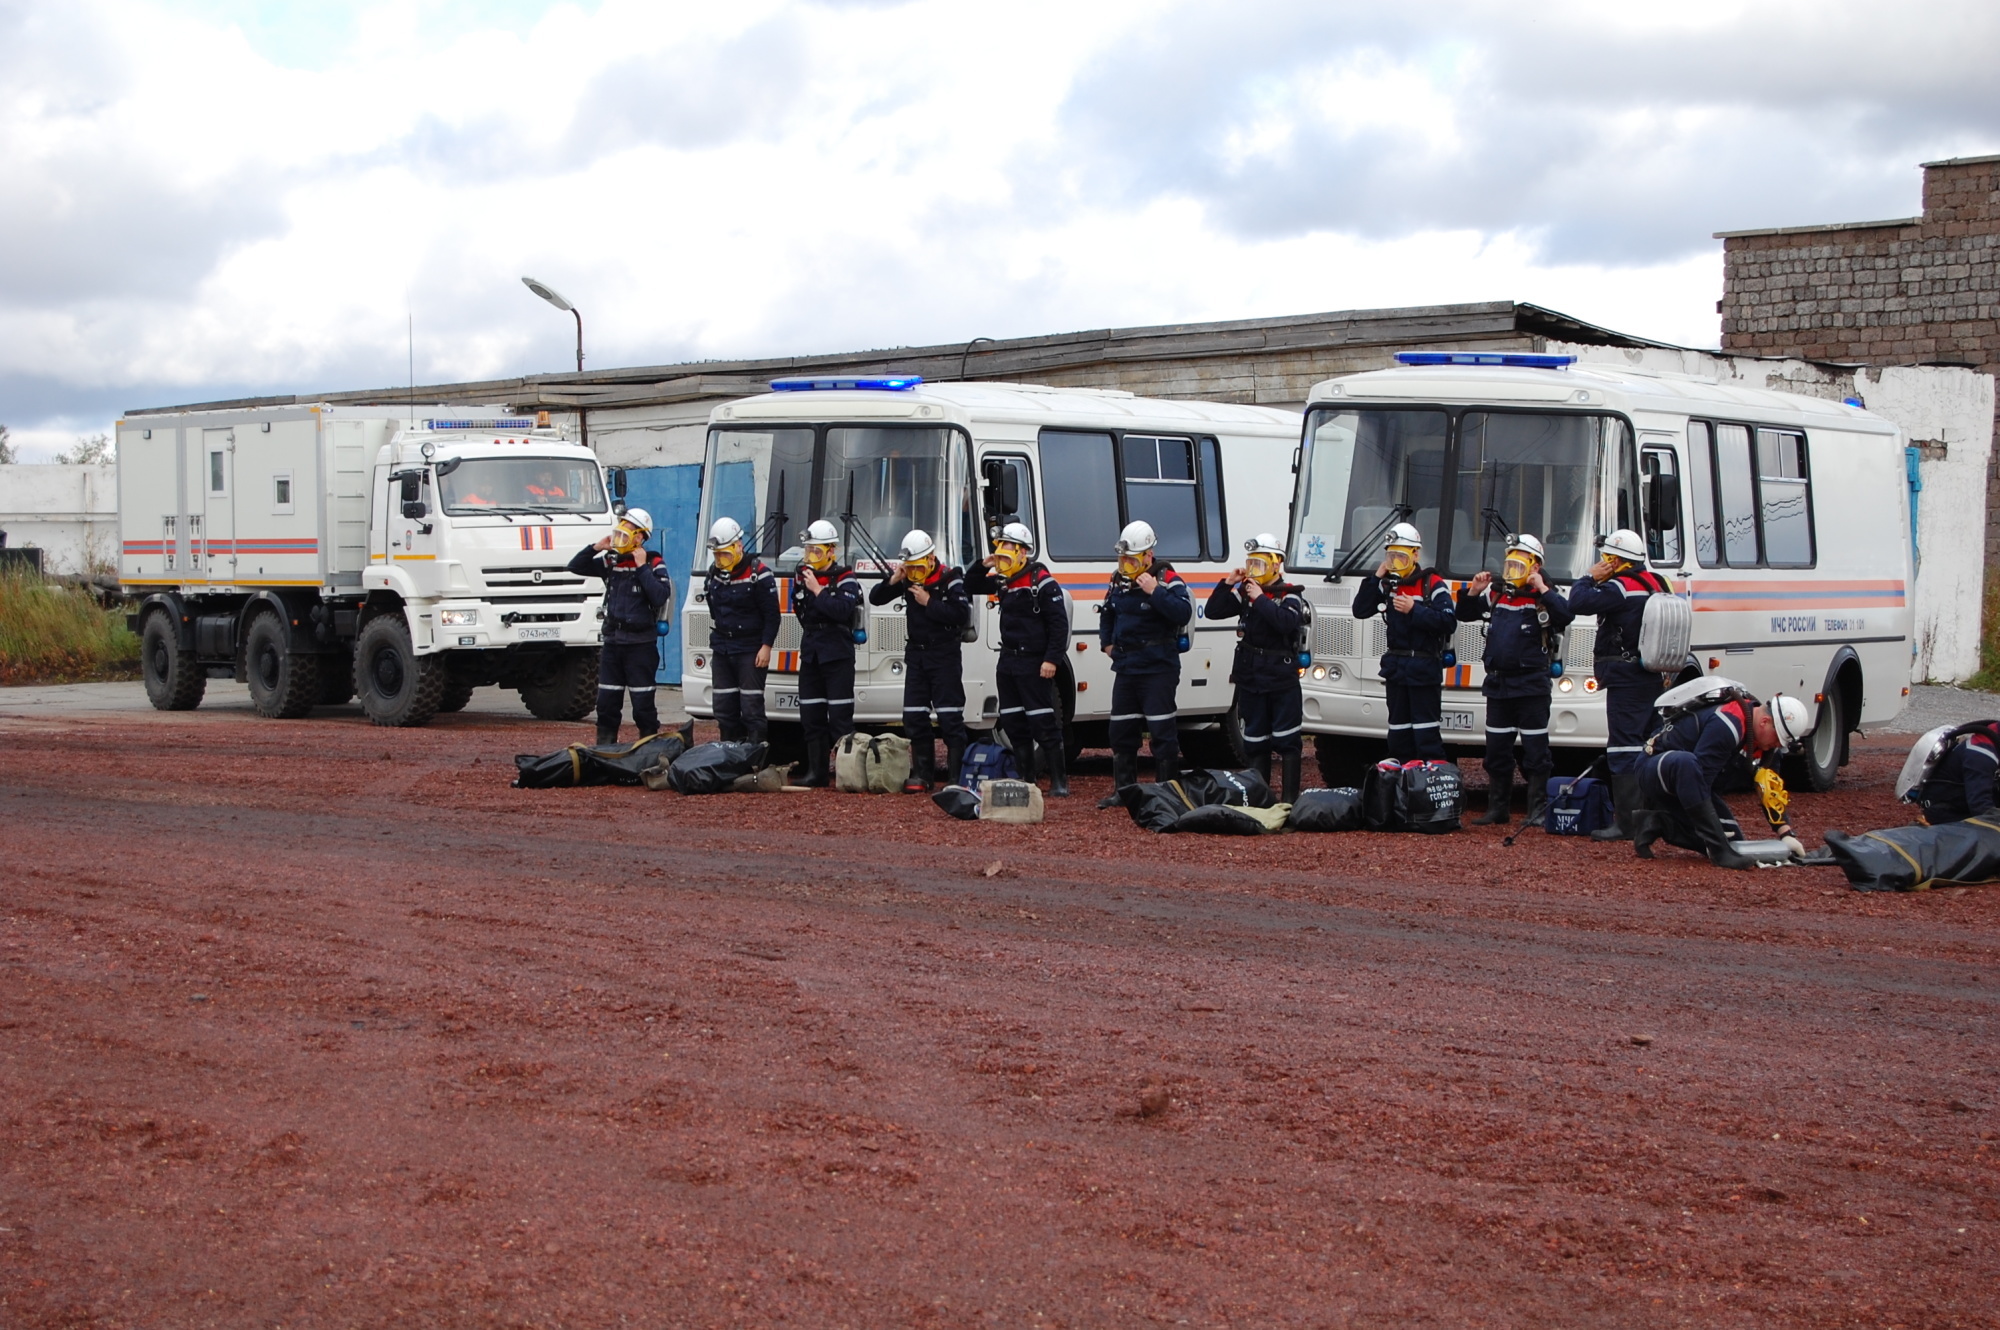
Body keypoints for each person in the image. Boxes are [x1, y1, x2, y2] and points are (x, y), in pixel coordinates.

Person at [1456, 534, 1573, 826]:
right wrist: (1474, 591)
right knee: (1496, 750)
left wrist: (1542, 588)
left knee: (1535, 752)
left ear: (1534, 565)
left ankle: (1536, 810)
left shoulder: (1545, 597)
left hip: (1531, 684)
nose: (1510, 570)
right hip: (1498, 684)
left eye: (1518, 564)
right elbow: (1464, 614)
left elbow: (1565, 615)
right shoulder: (1497, 594)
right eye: (1508, 564)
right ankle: (1498, 809)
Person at [1567, 528, 1675, 841]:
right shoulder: (1659, 583)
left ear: (1616, 561)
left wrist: (1588, 576)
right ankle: (1652, 818)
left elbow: (1578, 602)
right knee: (1649, 743)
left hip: (1627, 678)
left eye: (1606, 558)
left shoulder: (1621, 587)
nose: (1602, 563)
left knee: (1623, 746)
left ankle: (1627, 823)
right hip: (1653, 675)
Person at [1632, 689, 1811, 869]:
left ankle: (1657, 823)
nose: (1778, 745)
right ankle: (1719, 852)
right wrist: (1718, 844)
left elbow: (1770, 787)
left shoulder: (1765, 743)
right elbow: (1699, 782)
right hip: (1655, 768)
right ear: (1765, 722)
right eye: (1778, 739)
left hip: (1694, 783)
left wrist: (1785, 832)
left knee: (1734, 843)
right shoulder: (1727, 724)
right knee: (1688, 764)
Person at [964, 521, 1070, 796]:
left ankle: (1059, 782)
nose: (1002, 556)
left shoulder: (1043, 583)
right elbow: (970, 584)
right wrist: (983, 563)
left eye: (1008, 549)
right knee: (1012, 723)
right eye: (1000, 550)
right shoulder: (1003, 580)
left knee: (1043, 722)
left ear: (1024, 552)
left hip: (1034, 662)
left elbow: (1059, 626)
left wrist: (1052, 660)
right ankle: (1027, 778)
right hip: (1008, 662)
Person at [1097, 519, 1193, 804]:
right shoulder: (1118, 580)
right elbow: (1108, 611)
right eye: (1122, 559)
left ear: (1148, 555)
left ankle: (1166, 793)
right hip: (1127, 666)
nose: (1125, 565)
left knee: (1162, 732)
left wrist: (1155, 591)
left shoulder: (1167, 579)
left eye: (1132, 559)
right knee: (1121, 730)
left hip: (1158, 667)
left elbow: (1182, 612)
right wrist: (1107, 644)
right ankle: (1124, 791)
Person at [1206, 533, 1307, 803]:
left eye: (1260, 565)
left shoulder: (1290, 594)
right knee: (1255, 740)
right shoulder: (1246, 594)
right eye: (1251, 564)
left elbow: (1286, 623)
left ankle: (1289, 801)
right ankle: (1259, 798)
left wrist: (1260, 598)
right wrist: (1228, 583)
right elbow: (1214, 611)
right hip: (1252, 676)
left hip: (1281, 676)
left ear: (1276, 565)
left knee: (1287, 740)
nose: (1254, 571)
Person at [871, 529, 972, 793]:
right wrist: (894, 579)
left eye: (918, 568)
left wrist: (929, 603)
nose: (915, 574)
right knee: (913, 716)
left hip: (944, 655)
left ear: (930, 559)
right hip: (916, 655)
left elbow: (960, 614)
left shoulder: (951, 579)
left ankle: (955, 777)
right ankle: (923, 774)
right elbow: (876, 598)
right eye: (910, 568)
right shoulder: (908, 579)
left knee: (950, 717)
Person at [1351, 522, 1456, 760]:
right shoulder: (1387, 583)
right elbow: (1360, 609)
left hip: (1423, 667)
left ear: (1415, 555)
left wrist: (1414, 609)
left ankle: (1427, 789)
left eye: (1401, 557)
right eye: (1391, 556)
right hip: (1397, 668)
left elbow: (1448, 622)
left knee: (1425, 736)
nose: (1395, 562)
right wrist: (1377, 576)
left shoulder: (1432, 584)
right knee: (1398, 736)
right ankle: (1401, 791)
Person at [568, 508, 672, 746]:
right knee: (606, 704)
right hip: (614, 642)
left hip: (640, 645)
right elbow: (575, 566)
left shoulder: (654, 561)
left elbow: (659, 596)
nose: (621, 533)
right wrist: (596, 547)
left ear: (640, 537)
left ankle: (649, 751)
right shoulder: (611, 560)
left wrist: (642, 566)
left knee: (643, 705)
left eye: (628, 528)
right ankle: (605, 751)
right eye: (621, 525)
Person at [791, 519, 863, 788]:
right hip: (811, 651)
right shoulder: (803, 577)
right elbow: (801, 611)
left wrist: (819, 591)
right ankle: (816, 772)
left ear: (832, 551)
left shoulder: (845, 578)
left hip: (837, 653)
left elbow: (843, 611)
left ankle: (849, 774)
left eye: (817, 551)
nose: (810, 557)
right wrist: (814, 594)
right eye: (808, 550)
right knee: (811, 715)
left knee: (841, 717)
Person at [702, 516, 780, 749]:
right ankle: (728, 755)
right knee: (724, 707)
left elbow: (772, 615)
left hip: (750, 649)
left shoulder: (759, 573)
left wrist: (766, 646)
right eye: (717, 555)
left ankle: (756, 758)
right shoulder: (713, 573)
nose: (720, 560)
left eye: (724, 554)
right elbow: (713, 607)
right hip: (723, 648)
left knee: (751, 707)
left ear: (737, 546)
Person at [1910, 721, 2000, 824]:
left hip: (1966, 804)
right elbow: (1980, 806)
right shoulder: (1981, 753)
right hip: (1949, 814)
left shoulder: (1993, 740)